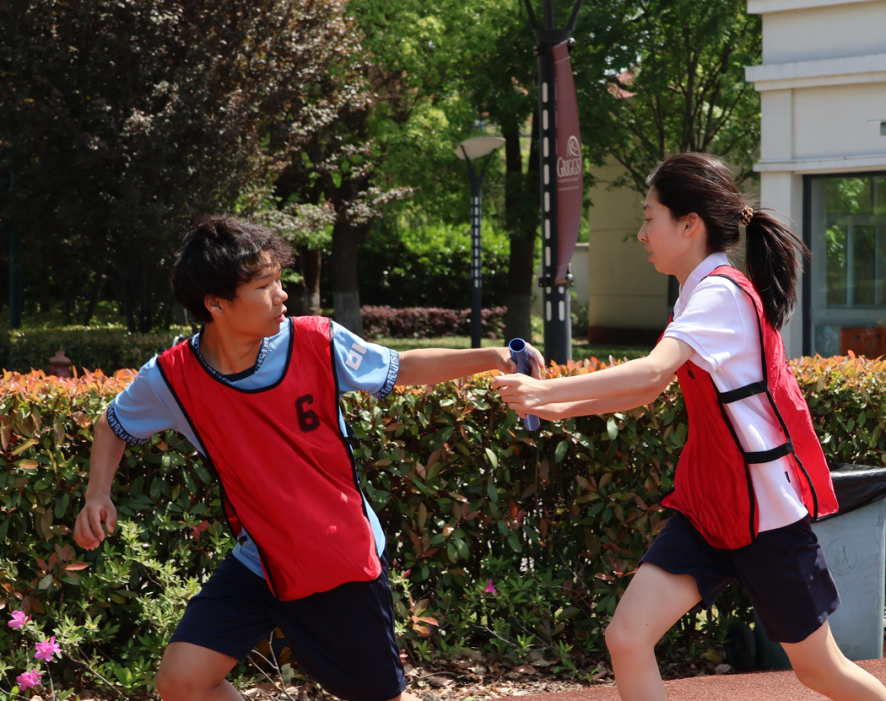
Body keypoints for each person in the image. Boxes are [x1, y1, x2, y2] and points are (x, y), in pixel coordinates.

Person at [73, 215, 541, 701]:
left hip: (339, 558)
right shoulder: (170, 378)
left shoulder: (317, 339)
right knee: (182, 681)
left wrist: (493, 356)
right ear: (215, 304)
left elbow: (400, 366)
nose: (282, 295)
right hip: (261, 561)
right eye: (264, 286)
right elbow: (113, 423)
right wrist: (97, 494)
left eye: (279, 281)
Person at [494, 153, 886, 701]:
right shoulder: (697, 294)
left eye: (649, 217)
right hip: (710, 508)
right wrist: (558, 409)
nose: (641, 233)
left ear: (689, 224)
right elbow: (649, 388)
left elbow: (651, 371)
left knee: (819, 670)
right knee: (627, 638)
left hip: (765, 518)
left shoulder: (719, 295)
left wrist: (545, 392)